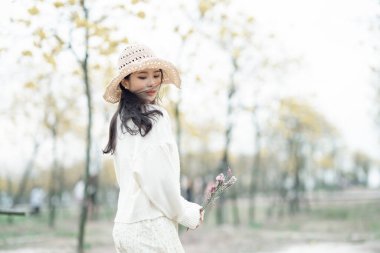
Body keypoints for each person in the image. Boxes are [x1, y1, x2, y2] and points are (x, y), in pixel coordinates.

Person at [103, 43, 205, 253]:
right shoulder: (153, 117)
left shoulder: (120, 120)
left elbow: (140, 178)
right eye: (142, 77)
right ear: (126, 82)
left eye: (156, 75)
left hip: (124, 226)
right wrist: (185, 213)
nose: (152, 83)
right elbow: (156, 179)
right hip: (149, 227)